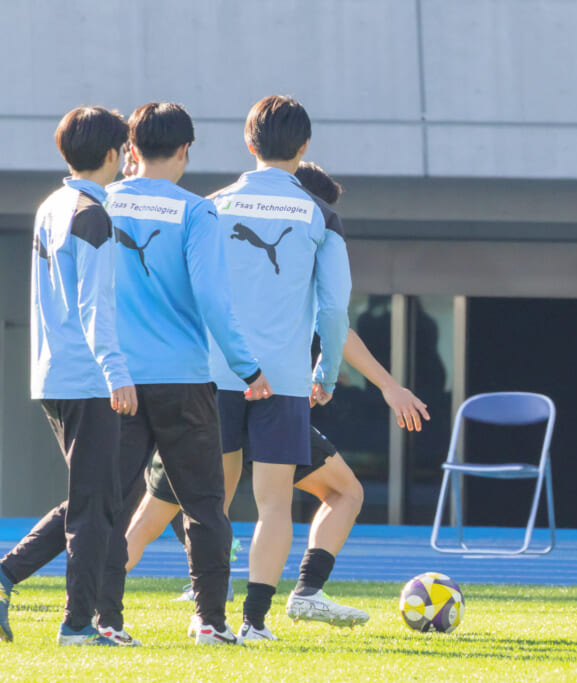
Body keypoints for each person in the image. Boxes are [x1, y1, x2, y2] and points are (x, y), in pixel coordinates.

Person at [124, 162, 430, 644]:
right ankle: (237, 612)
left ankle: (283, 594)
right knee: (179, 513)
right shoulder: (308, 224)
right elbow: (334, 318)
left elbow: (331, 323)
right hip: (270, 388)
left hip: (220, 386)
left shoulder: (215, 208)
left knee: (326, 493)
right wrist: (362, 382)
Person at [101, 102, 273, 646]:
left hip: (118, 379)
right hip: (182, 379)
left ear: (130, 149)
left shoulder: (102, 201)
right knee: (203, 505)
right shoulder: (197, 211)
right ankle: (210, 621)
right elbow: (213, 299)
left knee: (110, 503)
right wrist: (248, 367)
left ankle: (105, 619)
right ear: (185, 150)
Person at [206, 97, 354, 640]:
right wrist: (326, 372)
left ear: (249, 143)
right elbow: (334, 308)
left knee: (213, 503)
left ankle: (208, 618)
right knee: (274, 504)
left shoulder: (211, 207)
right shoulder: (320, 215)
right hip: (286, 379)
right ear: (305, 145)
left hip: (216, 373)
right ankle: (254, 622)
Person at [0, 107, 137, 646]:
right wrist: (116, 372)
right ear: (112, 153)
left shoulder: (51, 205)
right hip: (88, 377)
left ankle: (10, 576)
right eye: (124, 148)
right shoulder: (92, 214)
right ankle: (77, 624)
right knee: (93, 507)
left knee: (95, 498)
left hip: (56, 374)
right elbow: (94, 305)